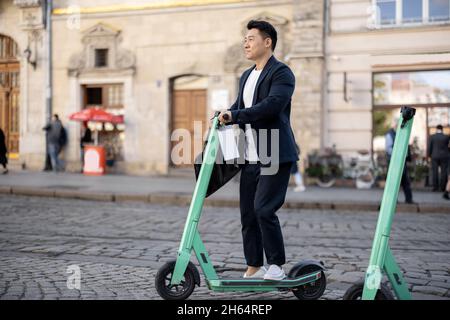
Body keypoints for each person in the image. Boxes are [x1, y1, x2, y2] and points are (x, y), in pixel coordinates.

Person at [218, 20, 298, 280]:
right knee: (248, 214)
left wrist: (236, 115)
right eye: (245, 38)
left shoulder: (282, 73)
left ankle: (276, 265)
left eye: (251, 38)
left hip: (274, 152)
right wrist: (223, 115)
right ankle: (254, 266)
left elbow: (272, 106)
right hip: (250, 156)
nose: (245, 42)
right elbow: (239, 104)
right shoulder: (246, 75)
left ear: (268, 42)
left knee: (264, 209)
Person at [385, 118, 415, 204]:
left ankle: (409, 199)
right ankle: (393, 200)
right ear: (394, 125)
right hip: (394, 162)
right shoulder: (389, 135)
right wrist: (398, 155)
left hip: (402, 161)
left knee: (405, 181)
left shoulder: (400, 133)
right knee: (394, 182)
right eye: (398, 124)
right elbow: (388, 149)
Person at [428, 125, 450, 192]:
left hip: (434, 156)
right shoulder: (446, 136)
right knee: (443, 172)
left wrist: (429, 155)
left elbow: (430, 147)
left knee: (435, 172)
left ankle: (435, 187)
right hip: (445, 156)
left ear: (436, 129)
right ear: (442, 129)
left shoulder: (432, 136)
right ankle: (442, 188)